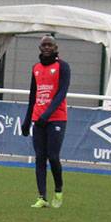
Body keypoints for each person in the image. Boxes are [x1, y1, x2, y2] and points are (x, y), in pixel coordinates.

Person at [21, 35, 70, 209]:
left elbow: (61, 94)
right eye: (44, 45)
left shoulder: (63, 67)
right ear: (40, 48)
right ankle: (42, 197)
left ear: (56, 48)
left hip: (56, 118)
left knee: (53, 156)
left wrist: (47, 114)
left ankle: (58, 190)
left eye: (50, 45)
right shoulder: (35, 68)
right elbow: (33, 96)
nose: (47, 47)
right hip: (38, 119)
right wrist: (27, 121)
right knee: (40, 158)